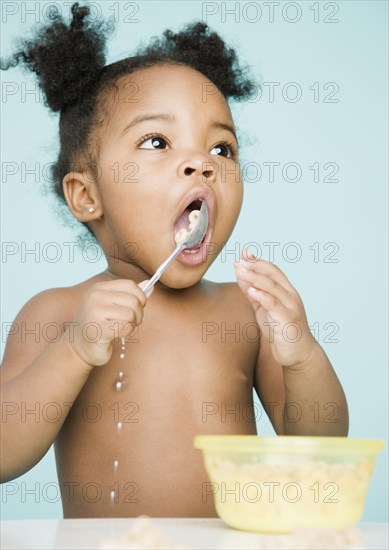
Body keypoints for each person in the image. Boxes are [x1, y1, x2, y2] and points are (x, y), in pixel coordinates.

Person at [0, 2, 348, 518]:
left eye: (223, 150)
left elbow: (319, 444)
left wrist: (302, 354)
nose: (201, 164)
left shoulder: (245, 315)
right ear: (86, 196)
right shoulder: (58, 313)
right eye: (158, 141)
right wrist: (75, 348)